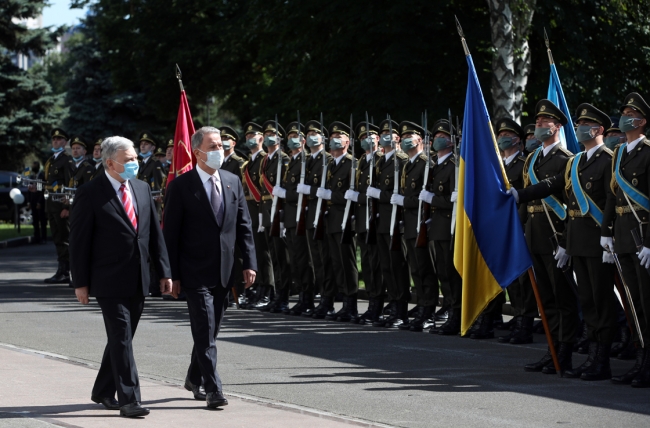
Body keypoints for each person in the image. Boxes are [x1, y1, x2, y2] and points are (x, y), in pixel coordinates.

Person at [69, 136, 172, 418]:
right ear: (110, 162)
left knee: (122, 337)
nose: (135, 164)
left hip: (139, 277)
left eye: (136, 158)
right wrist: (80, 282)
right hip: (107, 279)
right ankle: (130, 399)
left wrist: (164, 271)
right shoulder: (90, 192)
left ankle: (103, 389)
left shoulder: (141, 187)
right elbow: (79, 242)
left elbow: (153, 235)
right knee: (121, 337)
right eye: (129, 160)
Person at [163, 126, 257, 408]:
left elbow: (244, 225)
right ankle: (213, 388)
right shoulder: (181, 186)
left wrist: (249, 262)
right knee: (204, 329)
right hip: (193, 271)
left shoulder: (231, 180)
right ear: (198, 151)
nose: (220, 150)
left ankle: (194, 376)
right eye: (214, 146)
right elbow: (171, 234)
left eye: (222, 145)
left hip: (224, 271)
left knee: (211, 330)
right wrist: (172, 274)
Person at [514, 99, 577, 375]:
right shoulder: (532, 159)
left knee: (563, 299)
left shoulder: (565, 159)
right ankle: (551, 350)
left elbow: (571, 205)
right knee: (546, 299)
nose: (539, 126)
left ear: (558, 126)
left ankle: (564, 352)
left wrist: (565, 241)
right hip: (534, 235)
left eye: (544, 122)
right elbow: (528, 206)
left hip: (555, 235)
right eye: (537, 123)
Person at [602, 92, 650, 387]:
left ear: (642, 121)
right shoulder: (619, 153)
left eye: (631, 112)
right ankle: (641, 358)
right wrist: (606, 231)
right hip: (622, 234)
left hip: (643, 236)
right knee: (632, 302)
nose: (625, 116)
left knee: (647, 301)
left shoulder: (648, 152)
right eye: (624, 111)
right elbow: (611, 195)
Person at [391, 121, 437, 332]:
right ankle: (421, 307)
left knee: (426, 269)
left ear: (420, 140)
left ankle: (428, 312)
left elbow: (423, 197)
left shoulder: (426, 164)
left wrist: (404, 201)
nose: (407, 139)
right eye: (404, 136)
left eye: (411, 135)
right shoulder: (407, 164)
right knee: (416, 270)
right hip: (409, 223)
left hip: (421, 223)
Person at [367, 118, 411, 328]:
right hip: (381, 222)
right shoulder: (380, 161)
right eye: (383, 133)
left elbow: (401, 193)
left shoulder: (401, 160)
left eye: (390, 134)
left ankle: (400, 310)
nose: (385, 137)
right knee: (386, 266)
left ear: (397, 139)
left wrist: (380, 195)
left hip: (396, 222)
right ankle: (393, 305)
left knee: (397, 266)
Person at [317, 121, 359, 321]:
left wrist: (331, 196)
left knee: (347, 262)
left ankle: (351, 304)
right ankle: (340, 301)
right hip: (330, 220)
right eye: (332, 138)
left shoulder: (352, 164)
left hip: (344, 220)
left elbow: (352, 195)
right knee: (335, 263)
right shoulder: (331, 165)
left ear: (347, 142)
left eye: (338, 138)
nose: (334, 141)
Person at [273, 121, 316, 315]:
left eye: (296, 137)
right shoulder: (291, 162)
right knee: (295, 260)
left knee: (303, 259)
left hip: (301, 217)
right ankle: (300, 296)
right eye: (290, 138)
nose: (292, 141)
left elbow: (301, 193)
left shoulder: (306, 161)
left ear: (304, 140)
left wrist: (285, 195)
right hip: (290, 217)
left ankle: (307, 297)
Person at [297, 119, 334, 318]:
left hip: (322, 215)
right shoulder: (307, 159)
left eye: (315, 133)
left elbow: (326, 188)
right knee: (316, 260)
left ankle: (328, 299)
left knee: (325, 259)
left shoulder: (327, 159)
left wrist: (309, 190)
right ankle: (321, 297)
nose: (311, 137)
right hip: (310, 214)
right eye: (309, 134)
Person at [347, 122, 384, 324]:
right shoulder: (361, 161)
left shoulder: (380, 160)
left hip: (374, 219)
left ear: (377, 138)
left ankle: (377, 305)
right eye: (361, 138)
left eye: (369, 136)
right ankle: (371, 303)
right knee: (368, 265)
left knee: (376, 264)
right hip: (362, 219)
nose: (365, 140)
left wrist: (360, 198)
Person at [258, 120, 291, 313]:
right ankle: (277, 295)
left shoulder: (283, 159)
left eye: (273, 133)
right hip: (267, 212)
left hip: (279, 212)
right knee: (274, 256)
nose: (269, 136)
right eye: (266, 133)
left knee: (282, 256)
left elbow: (285, 188)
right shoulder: (266, 160)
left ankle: (284, 296)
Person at [241, 122, 274, 309]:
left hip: (261, 212)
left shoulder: (264, 159)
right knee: (255, 253)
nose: (249, 139)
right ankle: (258, 288)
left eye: (253, 135)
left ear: (261, 138)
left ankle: (267, 290)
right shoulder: (249, 162)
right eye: (247, 136)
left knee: (264, 253)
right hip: (250, 213)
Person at [44, 128, 73, 284]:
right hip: (51, 205)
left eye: (59, 139)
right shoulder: (51, 160)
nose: (56, 141)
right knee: (57, 238)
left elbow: (69, 184)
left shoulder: (66, 160)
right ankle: (61, 269)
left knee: (64, 238)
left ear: (65, 142)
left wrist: (67, 207)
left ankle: (66, 271)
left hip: (61, 205)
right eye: (54, 139)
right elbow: (49, 182)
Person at [27, 161, 47, 244]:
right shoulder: (32, 176)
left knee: (42, 220)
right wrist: (29, 201)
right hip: (33, 201)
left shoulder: (41, 176)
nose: (32, 167)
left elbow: (41, 190)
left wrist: (39, 202)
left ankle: (43, 237)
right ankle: (36, 237)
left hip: (40, 202)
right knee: (35, 220)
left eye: (34, 166)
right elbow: (30, 190)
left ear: (38, 167)